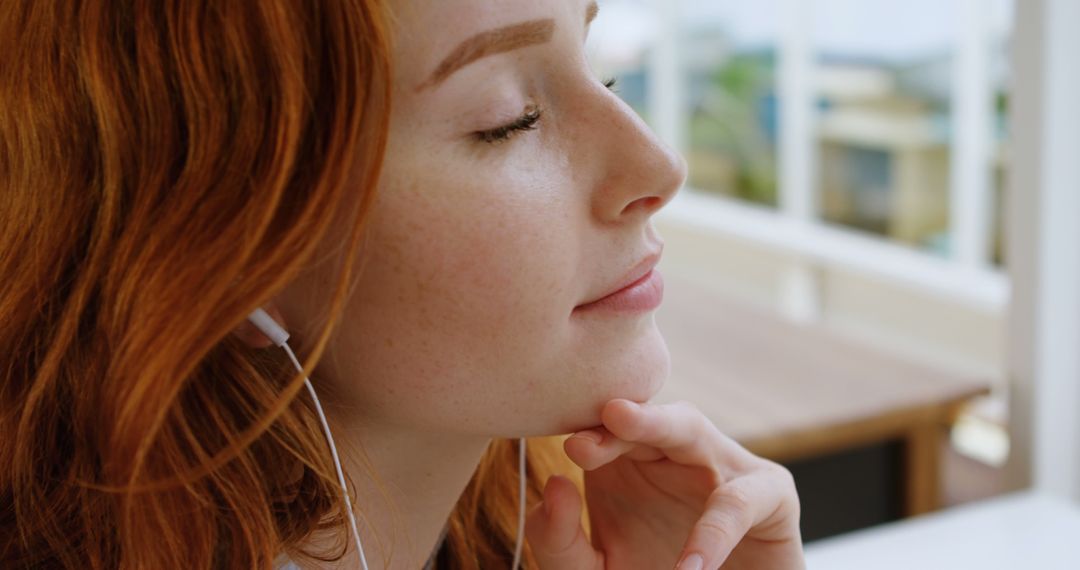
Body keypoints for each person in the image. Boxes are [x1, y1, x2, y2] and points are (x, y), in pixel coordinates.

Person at [0, 0, 804, 568]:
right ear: (236, 257)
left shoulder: (545, 526)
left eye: (600, 73)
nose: (659, 167)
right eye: (509, 117)